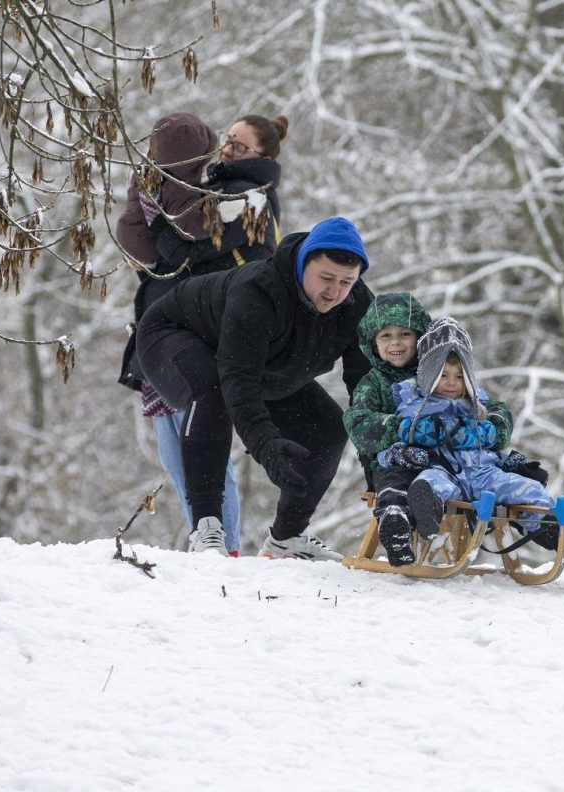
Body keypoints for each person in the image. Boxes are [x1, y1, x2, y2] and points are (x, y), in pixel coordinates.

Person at [135, 215, 374, 559]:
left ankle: (286, 538)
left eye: (346, 281)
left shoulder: (357, 307)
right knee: (212, 393)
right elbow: (238, 382)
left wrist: (382, 463)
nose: (334, 292)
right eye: (325, 278)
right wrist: (266, 446)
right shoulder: (259, 291)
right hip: (171, 334)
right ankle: (206, 529)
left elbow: (365, 389)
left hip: (266, 365)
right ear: (303, 262)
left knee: (330, 431)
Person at [115, 113, 287, 554]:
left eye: (240, 146)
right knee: (177, 454)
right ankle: (206, 539)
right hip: (172, 326)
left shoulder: (249, 200)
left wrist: (155, 214)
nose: (227, 149)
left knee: (202, 446)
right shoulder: (209, 189)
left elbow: (180, 253)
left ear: (263, 157)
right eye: (227, 139)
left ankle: (223, 546)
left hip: (207, 332)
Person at [380, 317, 564, 579]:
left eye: (459, 376)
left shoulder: (478, 407)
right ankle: (425, 517)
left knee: (527, 489)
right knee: (429, 483)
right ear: (429, 373)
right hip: (441, 468)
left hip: (483, 472)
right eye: (443, 375)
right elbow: (397, 442)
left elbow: (486, 448)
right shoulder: (414, 404)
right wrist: (401, 453)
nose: (452, 383)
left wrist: (506, 461)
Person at [342, 293, 514, 566]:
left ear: (419, 338)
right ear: (372, 343)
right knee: (396, 478)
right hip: (396, 461)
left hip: (451, 463)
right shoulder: (372, 383)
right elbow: (359, 423)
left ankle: (552, 524)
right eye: (385, 336)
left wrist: (490, 429)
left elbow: (490, 406)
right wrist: (409, 431)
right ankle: (395, 523)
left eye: (404, 334)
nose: (395, 342)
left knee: (500, 472)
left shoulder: (443, 371)